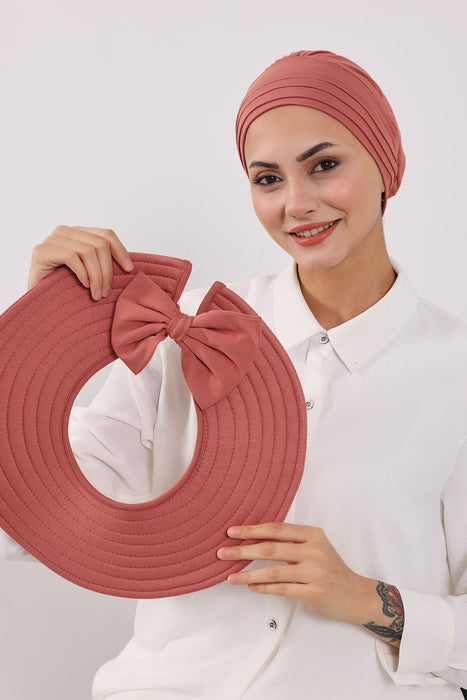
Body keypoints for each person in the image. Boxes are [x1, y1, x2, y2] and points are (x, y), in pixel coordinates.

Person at [2, 50, 467, 699]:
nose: (296, 203)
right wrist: (33, 347)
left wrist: (368, 599)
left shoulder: (454, 370)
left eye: (324, 165)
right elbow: (30, 521)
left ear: (388, 165)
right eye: (267, 178)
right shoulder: (175, 328)